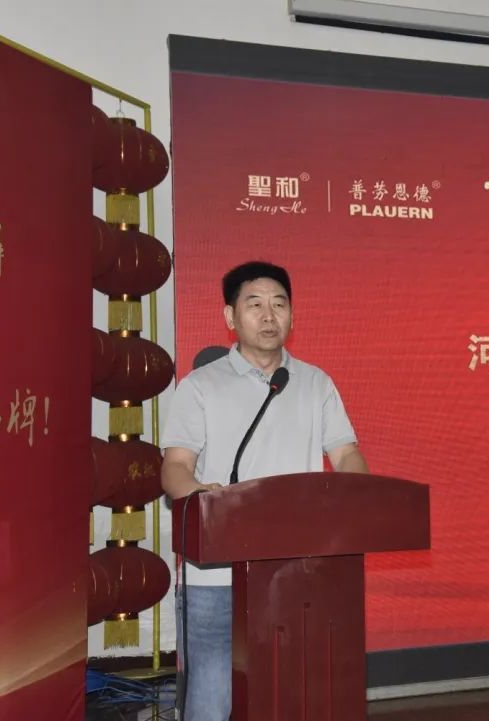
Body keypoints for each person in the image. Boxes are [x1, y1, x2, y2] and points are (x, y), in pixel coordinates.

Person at [161, 260, 368, 721]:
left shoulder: (315, 383)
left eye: (279, 304)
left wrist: (357, 494)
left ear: (293, 315)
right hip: (216, 577)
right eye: (254, 304)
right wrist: (202, 496)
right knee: (213, 699)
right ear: (230, 317)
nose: (269, 315)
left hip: (297, 574)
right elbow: (175, 468)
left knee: (294, 696)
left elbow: (346, 453)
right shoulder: (200, 387)